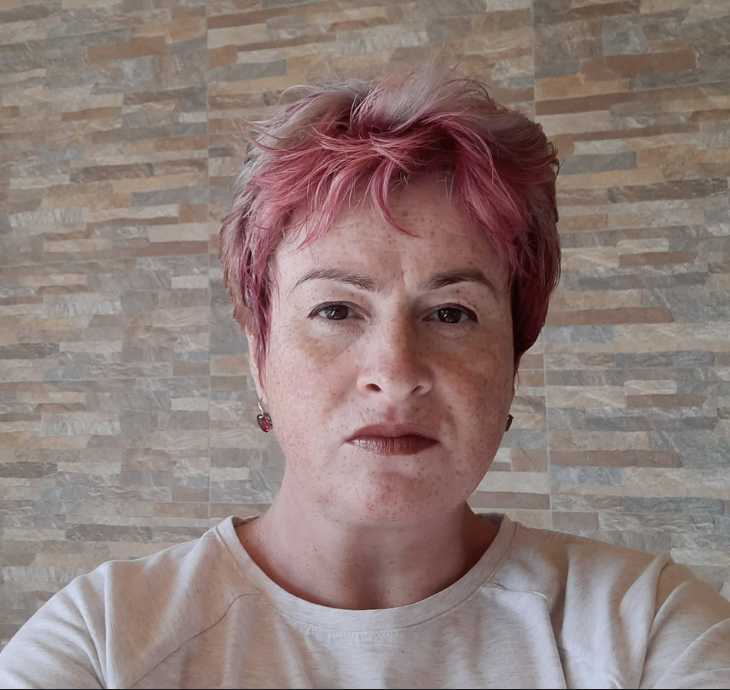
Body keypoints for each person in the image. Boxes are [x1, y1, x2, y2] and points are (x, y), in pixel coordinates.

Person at [1, 64, 728, 690]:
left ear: (514, 356)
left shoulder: (651, 631)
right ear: (258, 353)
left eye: (451, 313)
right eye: (336, 310)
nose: (395, 374)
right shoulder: (103, 643)